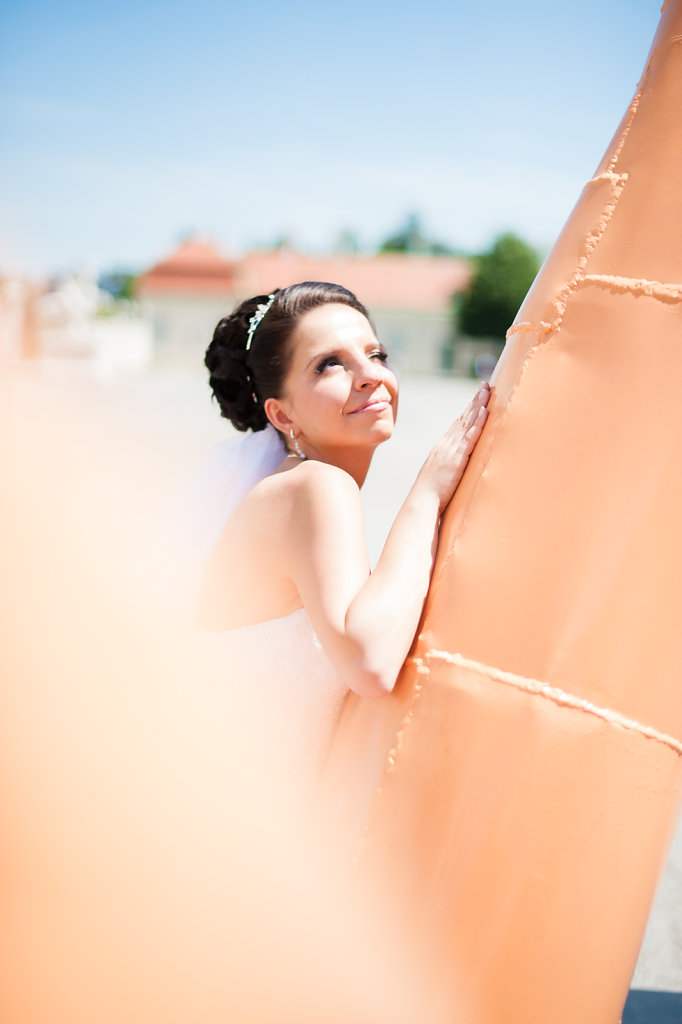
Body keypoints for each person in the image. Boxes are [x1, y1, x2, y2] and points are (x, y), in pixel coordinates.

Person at [197, 280, 489, 773]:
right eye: (329, 363)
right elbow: (370, 663)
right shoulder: (313, 487)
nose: (369, 375)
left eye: (377, 354)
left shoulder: (292, 487)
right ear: (281, 413)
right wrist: (427, 493)